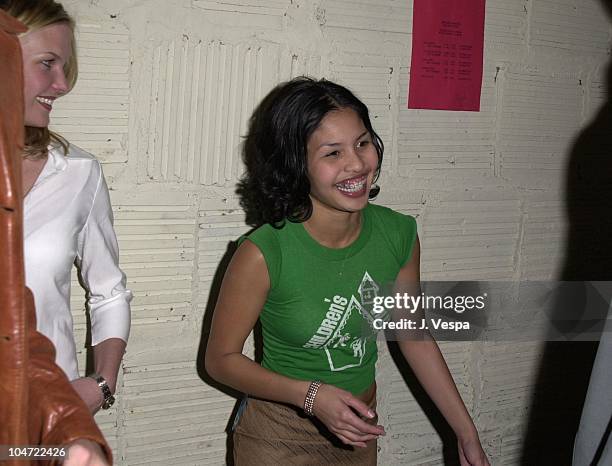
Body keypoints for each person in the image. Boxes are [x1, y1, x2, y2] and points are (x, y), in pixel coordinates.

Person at [205, 77, 489, 465]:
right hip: (277, 433)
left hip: (358, 430)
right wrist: (311, 395)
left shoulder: (398, 234)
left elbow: (414, 335)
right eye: (332, 153)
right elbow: (220, 360)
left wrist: (465, 432)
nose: (356, 163)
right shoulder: (263, 252)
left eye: (362, 142)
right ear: (296, 164)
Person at [2, 0, 131, 414]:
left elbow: (109, 291)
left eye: (65, 66)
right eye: (47, 63)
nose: (63, 84)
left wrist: (102, 384)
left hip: (47, 414)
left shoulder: (77, 173)